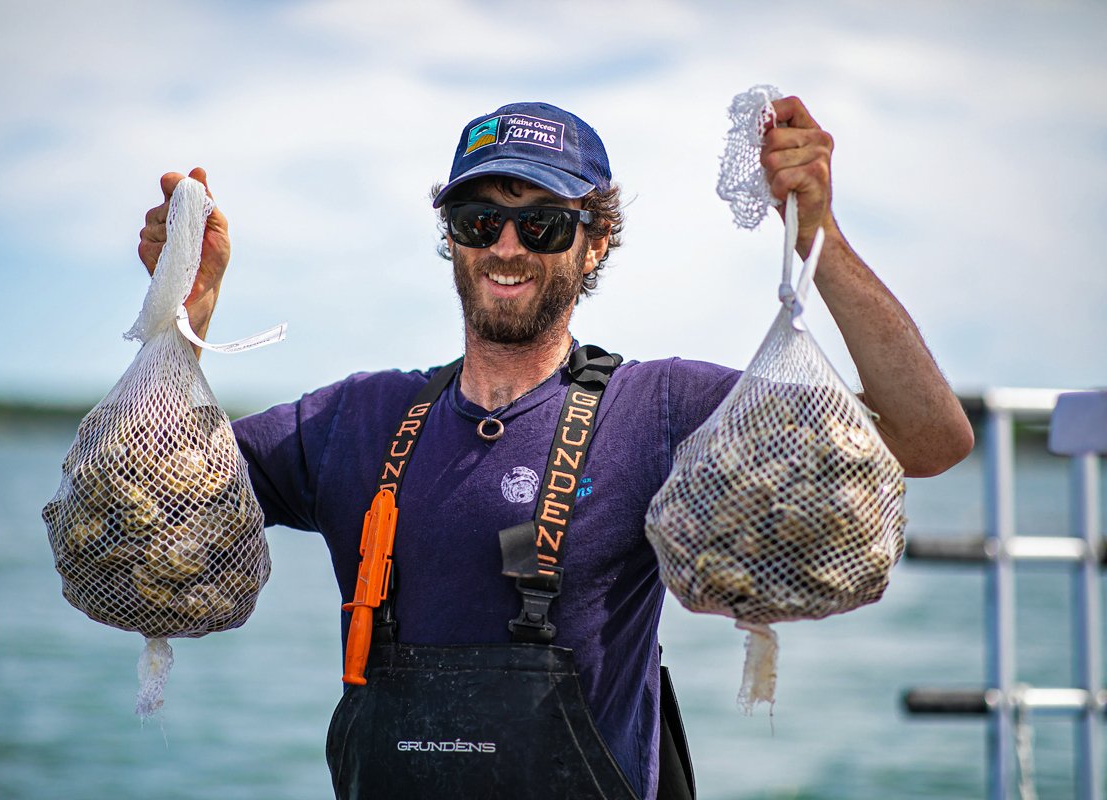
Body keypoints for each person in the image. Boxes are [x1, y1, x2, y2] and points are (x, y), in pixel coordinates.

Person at [138, 100, 974, 800]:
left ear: (594, 241)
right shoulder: (356, 419)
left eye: (541, 223)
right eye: (479, 220)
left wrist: (817, 234)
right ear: (452, 237)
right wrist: (188, 314)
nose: (506, 247)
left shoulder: (662, 409)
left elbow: (927, 438)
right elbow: (155, 493)